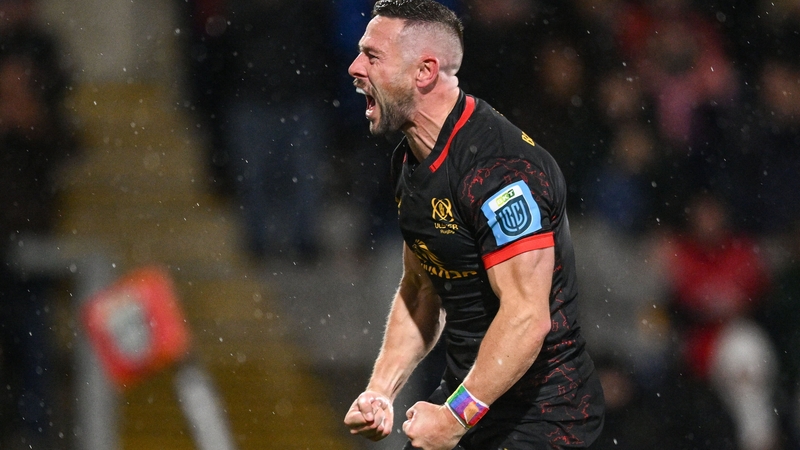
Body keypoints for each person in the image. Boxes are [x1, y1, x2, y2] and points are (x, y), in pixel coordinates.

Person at [342, 1, 605, 448]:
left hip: (545, 418)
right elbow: (421, 289)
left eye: (372, 56)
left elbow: (526, 318)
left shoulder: (500, 171)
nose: (354, 67)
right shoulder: (410, 162)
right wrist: (380, 391)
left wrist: (453, 419)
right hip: (472, 400)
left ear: (425, 72)